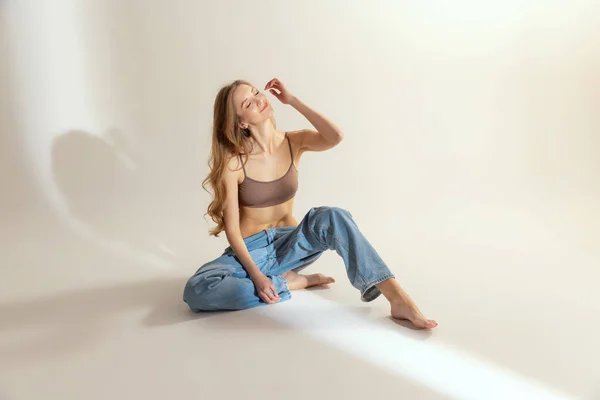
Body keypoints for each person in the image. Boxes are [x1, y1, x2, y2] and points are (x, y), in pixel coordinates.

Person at [183, 78, 437, 329]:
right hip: (252, 250)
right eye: (248, 102)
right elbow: (233, 231)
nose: (259, 99)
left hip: (292, 243)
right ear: (241, 122)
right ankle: (291, 282)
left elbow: (335, 136)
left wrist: (292, 101)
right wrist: (258, 277)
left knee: (333, 216)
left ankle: (398, 299)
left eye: (256, 92)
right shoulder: (233, 162)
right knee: (198, 289)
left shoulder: (294, 142)